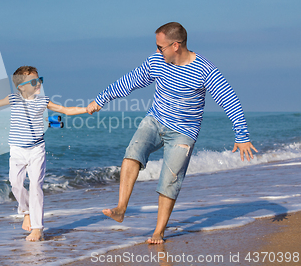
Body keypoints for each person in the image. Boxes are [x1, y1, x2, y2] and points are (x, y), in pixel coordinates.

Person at [86, 22, 258, 244]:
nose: (157, 51)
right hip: (155, 120)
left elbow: (229, 99)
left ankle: (158, 231)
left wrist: (242, 135)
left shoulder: (205, 70)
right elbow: (130, 81)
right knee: (132, 153)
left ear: (176, 45)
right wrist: (101, 99)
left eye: (161, 47)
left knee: (170, 180)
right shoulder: (156, 61)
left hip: (183, 132)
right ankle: (120, 208)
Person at [0, 66, 87, 242]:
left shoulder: (43, 101)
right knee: (15, 184)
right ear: (21, 87)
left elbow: (65, 110)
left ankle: (38, 228)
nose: (38, 83)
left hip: (36, 150)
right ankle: (26, 211)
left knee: (35, 186)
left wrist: (87, 109)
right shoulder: (13, 99)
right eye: (34, 81)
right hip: (16, 150)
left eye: (40, 80)